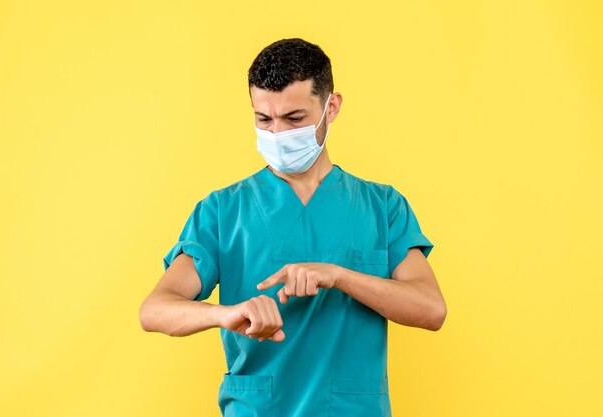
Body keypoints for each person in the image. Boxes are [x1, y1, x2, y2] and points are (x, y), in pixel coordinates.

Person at [139, 38, 447, 417]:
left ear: (330, 107)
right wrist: (223, 314)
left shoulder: (382, 207)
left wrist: (340, 275)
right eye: (263, 119)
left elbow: (431, 310)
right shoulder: (222, 211)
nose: (277, 135)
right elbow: (154, 310)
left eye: (294, 119)